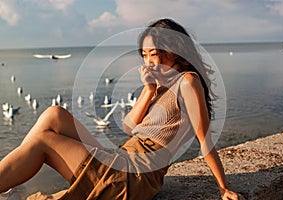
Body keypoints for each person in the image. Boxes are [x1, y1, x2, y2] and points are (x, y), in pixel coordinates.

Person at [0, 18, 244, 200]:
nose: (149, 61)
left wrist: (223, 188)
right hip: (123, 157)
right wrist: (148, 91)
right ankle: (8, 180)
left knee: (43, 142)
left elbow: (205, 141)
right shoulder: (160, 85)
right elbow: (129, 128)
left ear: (176, 50)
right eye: (145, 54)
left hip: (135, 175)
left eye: (155, 53)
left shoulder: (188, 81)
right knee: (54, 114)